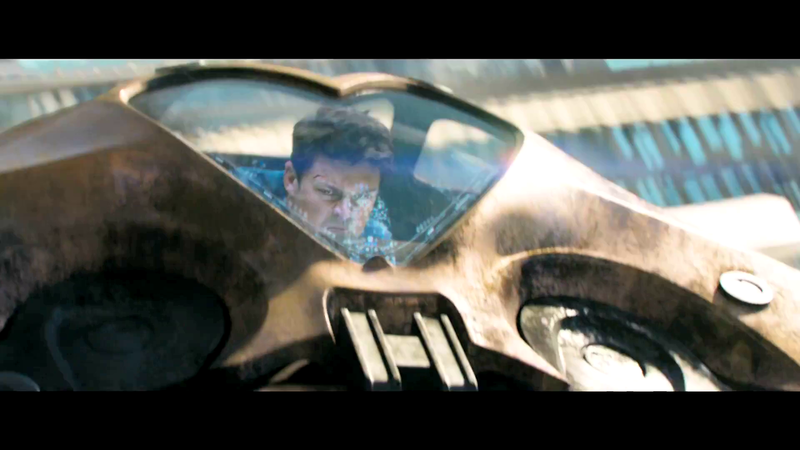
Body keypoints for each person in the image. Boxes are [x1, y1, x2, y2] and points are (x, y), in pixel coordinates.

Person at [235, 106, 393, 241]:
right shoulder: (241, 192)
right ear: (291, 179)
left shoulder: (376, 237)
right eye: (327, 192)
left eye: (362, 197)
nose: (345, 214)